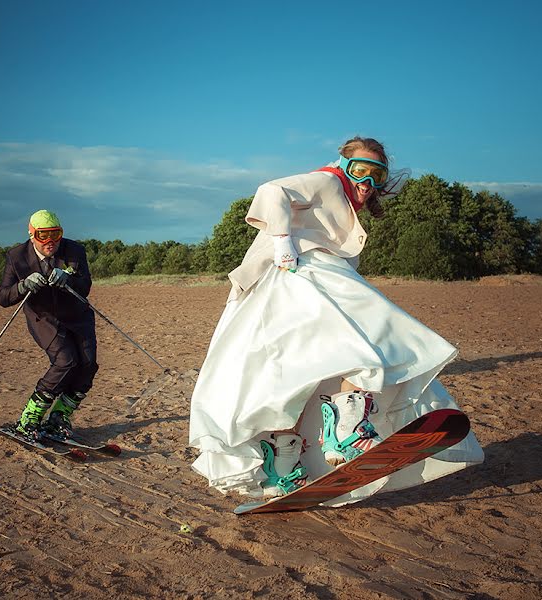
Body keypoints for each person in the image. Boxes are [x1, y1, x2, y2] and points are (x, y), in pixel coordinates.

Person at [188, 137, 484, 505]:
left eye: (378, 176)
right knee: (370, 336)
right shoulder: (327, 181)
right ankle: (346, 431)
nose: (368, 183)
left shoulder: (345, 205)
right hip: (298, 273)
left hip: (295, 282)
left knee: (291, 378)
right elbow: (271, 190)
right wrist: (282, 240)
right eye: (361, 170)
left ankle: (284, 467)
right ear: (344, 164)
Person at [0, 209, 98, 440]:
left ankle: (60, 417)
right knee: (65, 361)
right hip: (44, 318)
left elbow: (85, 286)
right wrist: (23, 286)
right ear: (32, 234)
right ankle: (29, 418)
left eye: (56, 234)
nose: (51, 241)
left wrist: (68, 278)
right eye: (44, 235)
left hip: (78, 316)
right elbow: (3, 297)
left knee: (88, 365)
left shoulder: (75, 251)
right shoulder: (17, 257)